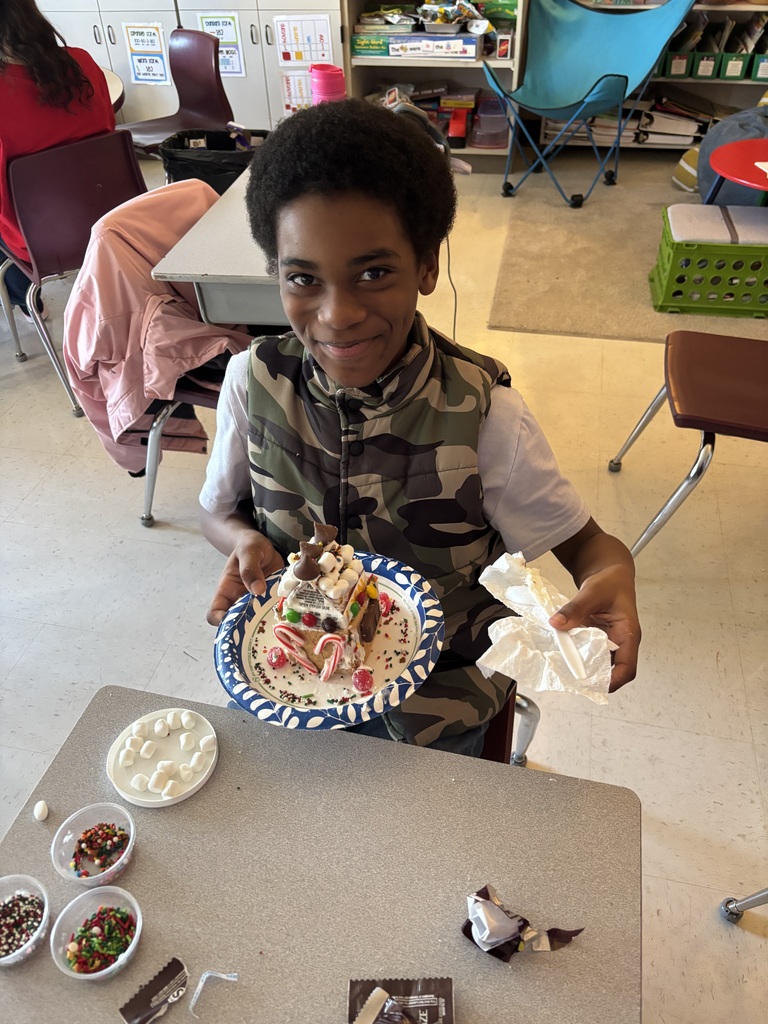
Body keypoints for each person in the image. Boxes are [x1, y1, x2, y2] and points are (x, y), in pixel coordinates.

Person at [199, 99, 641, 756]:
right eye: (303, 279)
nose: (337, 314)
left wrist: (616, 574)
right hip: (298, 690)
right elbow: (217, 512)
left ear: (427, 266)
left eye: (373, 273)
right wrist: (239, 539)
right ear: (277, 275)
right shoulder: (252, 382)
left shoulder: (485, 415)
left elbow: (592, 551)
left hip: (440, 714)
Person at [0, 0, 115, 320]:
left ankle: (27, 302)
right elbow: (109, 133)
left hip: (36, 242)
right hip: (111, 221)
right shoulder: (83, 64)